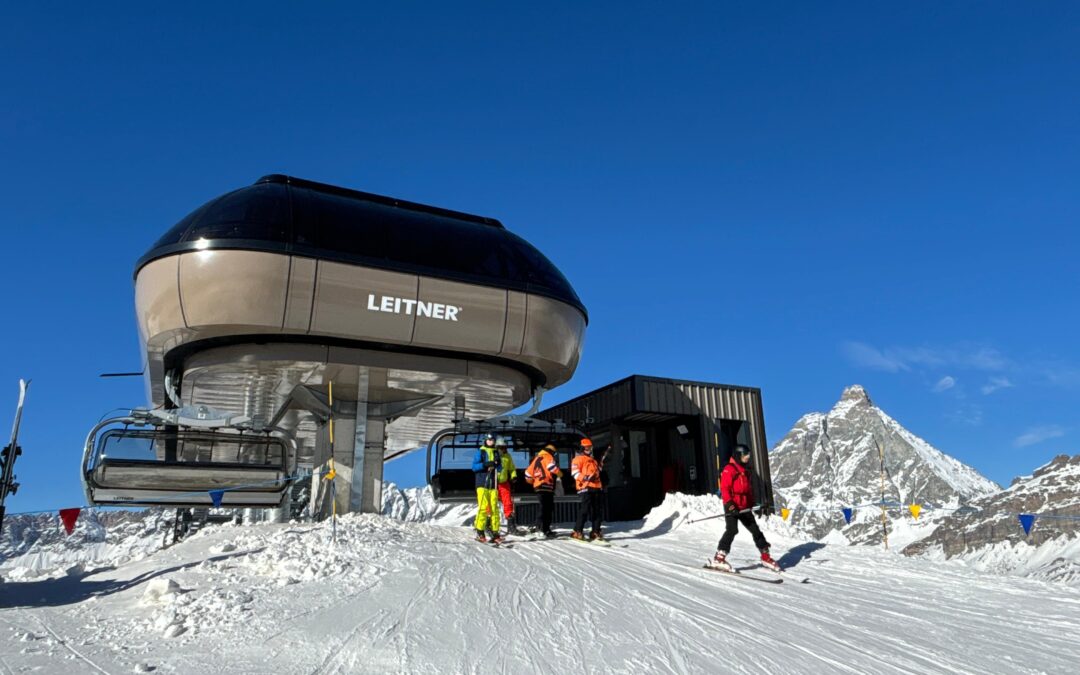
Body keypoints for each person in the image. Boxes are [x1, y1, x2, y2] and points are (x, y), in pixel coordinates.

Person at [710, 445, 781, 572]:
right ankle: (719, 557)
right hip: (732, 506)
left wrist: (755, 505)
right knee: (732, 530)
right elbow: (725, 489)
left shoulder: (745, 471)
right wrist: (731, 505)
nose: (747, 457)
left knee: (755, 530)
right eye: (745, 455)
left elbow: (748, 491)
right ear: (738, 456)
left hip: (744, 506)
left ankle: (765, 556)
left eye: (748, 454)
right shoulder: (729, 469)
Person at [525, 443, 562, 537]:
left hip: (538, 486)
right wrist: (560, 474)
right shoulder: (548, 457)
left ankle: (542, 528)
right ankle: (543, 529)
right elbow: (552, 467)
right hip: (547, 485)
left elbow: (527, 473)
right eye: (554, 453)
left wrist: (532, 481)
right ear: (551, 451)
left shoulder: (537, 458)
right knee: (547, 508)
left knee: (543, 507)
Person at [570, 438, 604, 541]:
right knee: (584, 509)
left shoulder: (593, 460)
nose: (589, 449)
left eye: (590, 447)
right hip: (585, 487)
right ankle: (577, 531)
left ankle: (595, 531)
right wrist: (586, 477)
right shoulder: (578, 459)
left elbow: (597, 473)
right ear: (582, 448)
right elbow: (575, 473)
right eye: (586, 447)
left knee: (597, 511)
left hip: (596, 487)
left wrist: (600, 467)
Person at [472, 433, 503, 543]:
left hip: (493, 483)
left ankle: (495, 532)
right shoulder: (481, 452)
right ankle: (480, 530)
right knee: (484, 507)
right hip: (482, 483)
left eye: (492, 440)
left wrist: (497, 465)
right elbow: (474, 467)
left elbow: (500, 468)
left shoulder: (496, 452)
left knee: (494, 508)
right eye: (488, 440)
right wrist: (485, 465)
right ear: (485, 441)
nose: (490, 441)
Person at [493, 436, 520, 535]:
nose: (503, 449)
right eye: (501, 447)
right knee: (491, 504)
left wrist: (514, 476)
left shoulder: (507, 456)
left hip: (504, 483)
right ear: (497, 447)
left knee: (508, 503)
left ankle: (511, 526)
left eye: (504, 447)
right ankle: (487, 524)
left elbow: (512, 468)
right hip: (493, 483)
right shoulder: (493, 455)